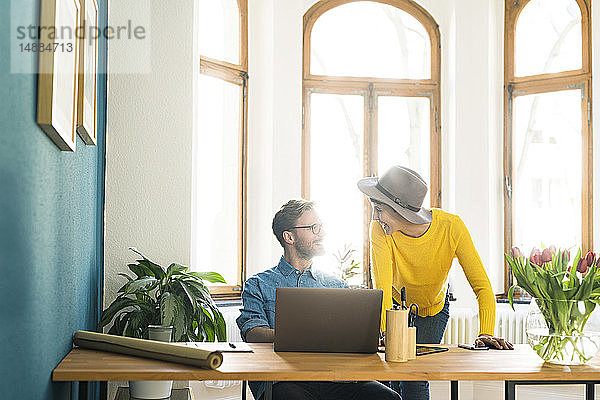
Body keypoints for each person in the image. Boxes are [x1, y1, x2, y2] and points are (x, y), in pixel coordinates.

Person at [357, 165, 512, 400]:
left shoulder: (451, 227)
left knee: (415, 381)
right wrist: (388, 331)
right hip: (396, 308)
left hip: (433, 311)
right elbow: (381, 287)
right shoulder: (379, 229)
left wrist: (486, 333)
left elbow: (482, 286)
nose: (375, 217)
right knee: (388, 377)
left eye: (379, 210)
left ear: (400, 211)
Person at [236, 199, 401, 400]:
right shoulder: (258, 284)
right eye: (314, 228)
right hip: (283, 380)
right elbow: (252, 333)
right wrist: (304, 335)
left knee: (388, 398)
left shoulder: (337, 285)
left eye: (321, 227)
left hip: (338, 380)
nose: (322, 233)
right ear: (289, 236)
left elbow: (352, 335)